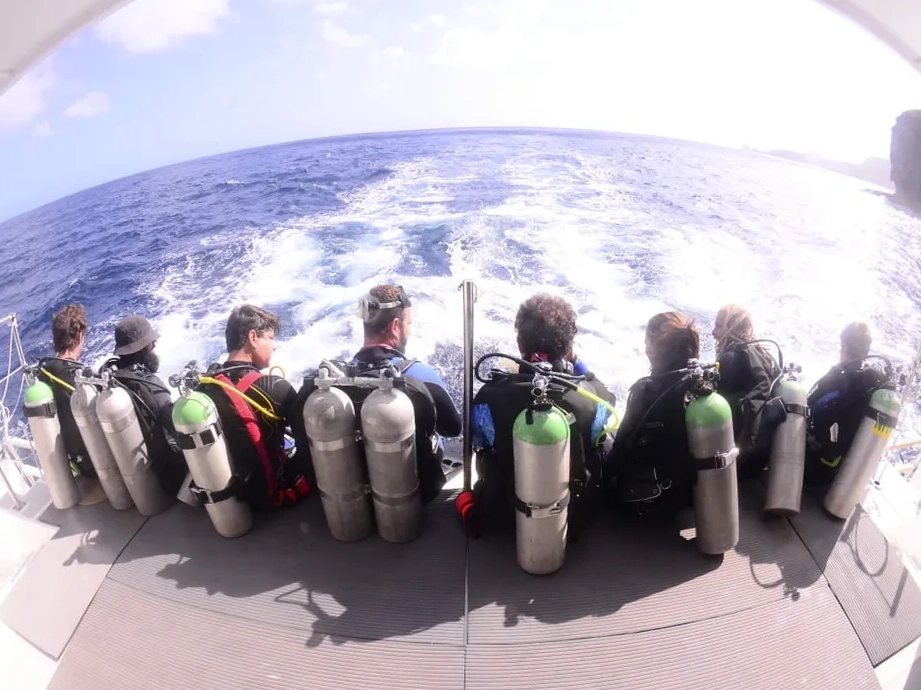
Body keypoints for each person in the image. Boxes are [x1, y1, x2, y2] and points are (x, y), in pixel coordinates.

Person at [469, 293, 616, 533]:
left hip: (505, 515)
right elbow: (609, 401)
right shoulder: (592, 397)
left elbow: (476, 438)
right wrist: (577, 363)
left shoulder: (489, 396)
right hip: (574, 518)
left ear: (520, 343)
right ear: (568, 348)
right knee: (604, 439)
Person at [347, 284, 462, 502]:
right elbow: (453, 428)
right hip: (417, 496)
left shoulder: (339, 378)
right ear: (395, 326)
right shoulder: (419, 374)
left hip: (358, 497)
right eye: (408, 324)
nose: (409, 330)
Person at [197, 304, 311, 509]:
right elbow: (308, 442)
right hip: (268, 494)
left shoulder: (207, 385)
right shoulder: (275, 388)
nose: (274, 346)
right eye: (270, 337)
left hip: (229, 494)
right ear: (253, 337)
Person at [606, 312, 700, 520]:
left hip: (652, 500)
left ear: (654, 349)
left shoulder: (646, 391)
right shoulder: (701, 384)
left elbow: (621, 448)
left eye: (646, 342)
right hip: (691, 494)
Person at [104, 315, 188, 498]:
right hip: (171, 479)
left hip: (138, 478)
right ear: (141, 349)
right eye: (151, 344)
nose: (154, 345)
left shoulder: (110, 381)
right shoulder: (151, 386)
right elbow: (178, 430)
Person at [805, 321, 890, 485]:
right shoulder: (875, 383)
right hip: (846, 475)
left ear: (844, 347)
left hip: (814, 469)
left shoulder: (838, 378)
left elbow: (806, 405)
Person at [36, 304, 106, 504]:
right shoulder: (77, 379)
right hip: (97, 464)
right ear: (81, 337)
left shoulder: (44, 374)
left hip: (74, 463)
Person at [712, 304, 781, 479]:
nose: (713, 332)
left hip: (737, 463)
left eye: (719, 326)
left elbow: (714, 412)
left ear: (733, 327)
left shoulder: (730, 359)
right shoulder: (764, 355)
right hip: (760, 458)